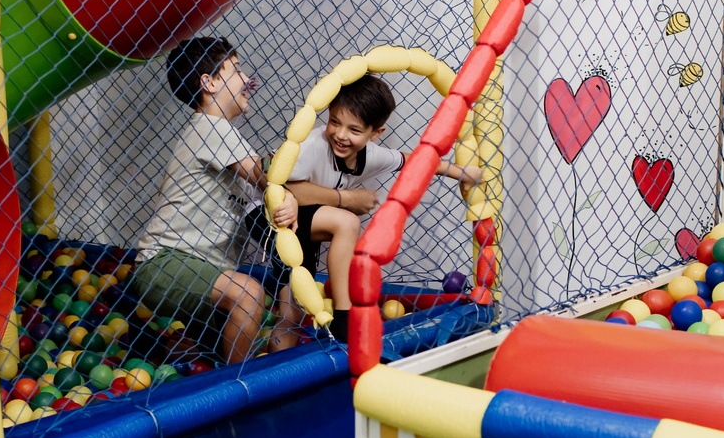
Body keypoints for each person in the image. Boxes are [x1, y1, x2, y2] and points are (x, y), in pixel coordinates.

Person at [263, 74, 481, 346]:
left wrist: (461, 173)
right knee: (346, 222)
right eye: (334, 122)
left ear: (375, 133)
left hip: (303, 226)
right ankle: (344, 317)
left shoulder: (371, 155)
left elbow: (414, 160)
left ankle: (303, 341)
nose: (340, 135)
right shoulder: (313, 146)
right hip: (271, 216)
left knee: (292, 313)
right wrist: (347, 198)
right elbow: (277, 181)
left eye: (354, 130)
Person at [132, 36, 299, 364]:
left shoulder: (221, 135)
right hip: (165, 262)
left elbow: (268, 184)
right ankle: (240, 386)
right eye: (236, 69)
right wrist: (298, 152)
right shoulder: (211, 127)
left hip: (204, 269)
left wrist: (287, 194)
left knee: (212, 352)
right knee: (249, 294)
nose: (246, 78)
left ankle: (164, 348)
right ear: (209, 83)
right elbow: (265, 175)